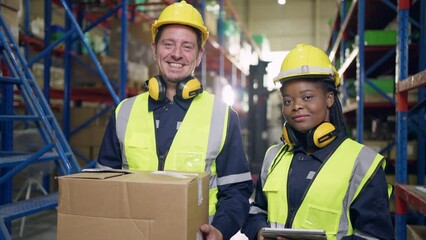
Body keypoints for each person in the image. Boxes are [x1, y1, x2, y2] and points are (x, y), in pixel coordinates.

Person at [95, 1, 253, 239]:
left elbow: (237, 190)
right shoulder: (123, 113)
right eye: (168, 44)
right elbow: (103, 185)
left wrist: (220, 229)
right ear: (154, 49)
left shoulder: (222, 116)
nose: (177, 54)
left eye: (187, 47)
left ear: (199, 55)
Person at [241, 43, 395, 240]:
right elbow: (257, 211)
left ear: (329, 98)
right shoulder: (274, 157)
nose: (296, 106)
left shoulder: (362, 164)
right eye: (288, 101)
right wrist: (259, 232)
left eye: (307, 97)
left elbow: (376, 237)